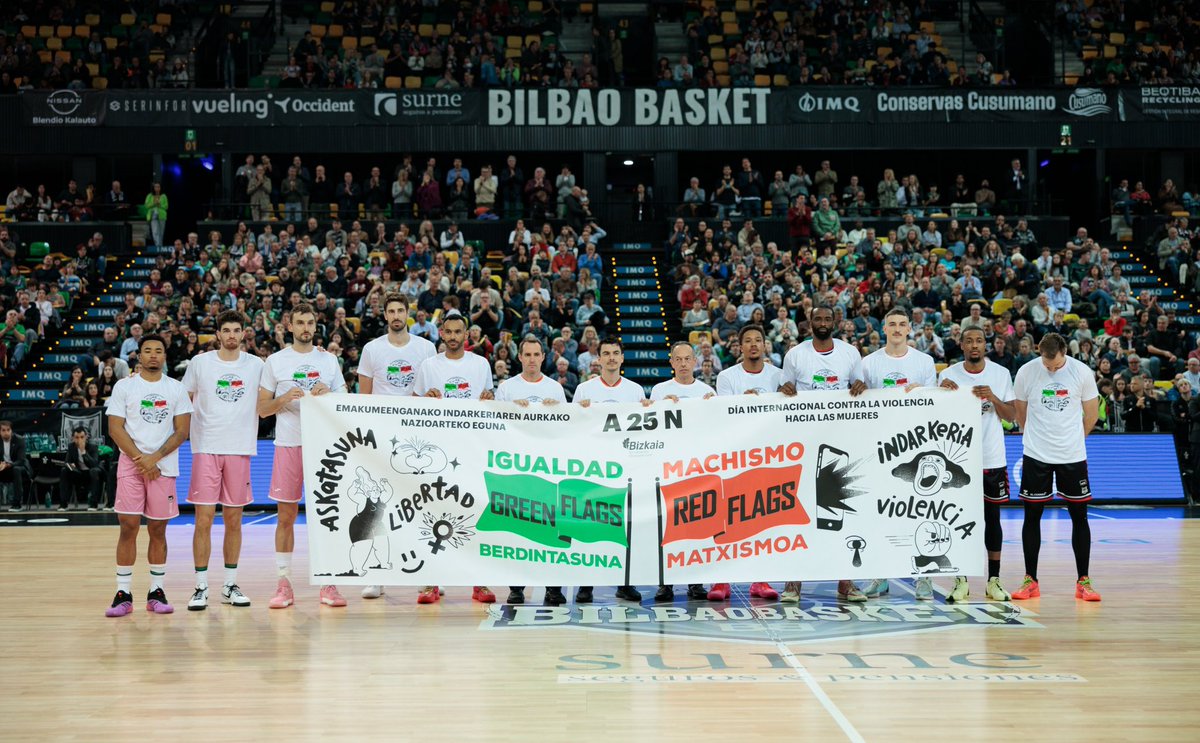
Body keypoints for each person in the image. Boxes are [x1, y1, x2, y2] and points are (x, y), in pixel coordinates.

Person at [258, 303, 347, 610]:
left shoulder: (329, 360)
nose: (306, 328)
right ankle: (284, 584)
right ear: (290, 326)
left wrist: (330, 395)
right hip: (288, 444)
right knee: (286, 516)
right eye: (300, 322)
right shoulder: (275, 361)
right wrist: (284, 398)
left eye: (310, 322)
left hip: (324, 448)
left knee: (328, 517)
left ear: (315, 325)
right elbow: (262, 409)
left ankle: (329, 582)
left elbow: (345, 402)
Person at [779, 306, 868, 603]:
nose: (822, 323)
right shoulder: (795, 355)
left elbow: (861, 389)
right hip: (804, 441)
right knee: (800, 511)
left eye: (827, 319)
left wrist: (861, 386)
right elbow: (783, 391)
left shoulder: (850, 353)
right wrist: (784, 388)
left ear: (835, 322)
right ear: (809, 323)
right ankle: (793, 581)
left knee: (840, 510)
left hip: (840, 440)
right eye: (817, 319)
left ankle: (845, 581)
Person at [104, 335, 193, 617]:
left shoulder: (176, 388)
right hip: (132, 464)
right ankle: (123, 593)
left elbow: (182, 431)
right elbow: (115, 428)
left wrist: (154, 458)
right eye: (147, 350)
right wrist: (142, 459)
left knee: (157, 530)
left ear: (164, 356)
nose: (153, 355)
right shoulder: (124, 386)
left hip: (163, 466)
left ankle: (156, 591)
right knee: (128, 526)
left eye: (158, 350)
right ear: (139, 356)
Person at [181, 310, 264, 611]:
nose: (231, 335)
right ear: (217, 334)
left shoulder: (257, 365)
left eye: (236, 330)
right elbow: (181, 398)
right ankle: (200, 586)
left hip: (239, 448)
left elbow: (277, 389)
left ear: (244, 334)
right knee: (203, 520)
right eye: (226, 330)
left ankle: (230, 585)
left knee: (234, 520)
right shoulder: (200, 363)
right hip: (206, 448)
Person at [413, 310, 497, 605]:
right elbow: (414, 405)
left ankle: (480, 582)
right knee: (432, 513)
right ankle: (430, 582)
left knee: (476, 513)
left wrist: (489, 399)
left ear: (467, 334)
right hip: (438, 449)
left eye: (457, 332)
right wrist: (425, 400)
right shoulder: (429, 365)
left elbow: (489, 401)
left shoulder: (481, 364)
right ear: (441, 333)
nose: (452, 337)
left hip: (472, 448)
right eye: (447, 332)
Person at [356, 294, 436, 600]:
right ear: (385, 315)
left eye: (401, 310)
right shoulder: (372, 349)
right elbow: (364, 398)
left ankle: (428, 574)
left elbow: (432, 391)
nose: (396, 315)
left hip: (417, 436)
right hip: (381, 436)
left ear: (408, 313)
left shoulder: (425, 348)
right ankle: (377, 576)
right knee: (378, 507)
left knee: (422, 504)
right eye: (391, 311)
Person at [1011, 333, 1102, 602]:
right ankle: (1030, 580)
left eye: (1055, 365)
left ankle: (1083, 581)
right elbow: (1020, 413)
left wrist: (1074, 440)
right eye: (1046, 364)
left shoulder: (1081, 372)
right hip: (1036, 454)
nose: (1050, 369)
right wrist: (1035, 438)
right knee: (1032, 516)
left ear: (1065, 352)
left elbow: (1092, 414)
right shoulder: (1026, 372)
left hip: (1071, 455)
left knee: (1079, 516)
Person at [859, 309, 938, 599]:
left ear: (909, 329)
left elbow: (935, 404)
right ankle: (879, 576)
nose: (896, 328)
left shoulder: (924, 361)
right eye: (891, 324)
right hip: (880, 446)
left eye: (902, 324)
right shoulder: (869, 363)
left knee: (919, 513)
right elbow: (861, 403)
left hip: (915, 446)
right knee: (879, 513)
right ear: (883, 329)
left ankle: (924, 577)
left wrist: (923, 392)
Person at [937, 327, 1016, 602]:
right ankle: (961, 580)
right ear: (961, 345)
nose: (974, 345)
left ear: (986, 345)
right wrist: (941, 396)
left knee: (992, 519)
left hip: (991, 457)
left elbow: (1012, 415)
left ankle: (994, 580)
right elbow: (936, 417)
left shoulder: (1000, 374)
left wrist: (993, 398)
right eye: (969, 341)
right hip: (957, 461)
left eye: (979, 341)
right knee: (956, 520)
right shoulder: (948, 375)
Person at [572, 336, 651, 603]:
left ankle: (625, 583)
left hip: (625, 466)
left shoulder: (635, 390)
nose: (611, 358)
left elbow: (643, 429)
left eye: (616, 353)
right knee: (589, 526)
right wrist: (579, 413)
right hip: (593, 467)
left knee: (624, 527)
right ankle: (585, 585)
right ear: (599, 358)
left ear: (622, 357)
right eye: (606, 353)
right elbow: (572, 428)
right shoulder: (584, 390)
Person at [708, 324, 783, 602]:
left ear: (765, 345)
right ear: (739, 347)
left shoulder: (779, 375)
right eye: (748, 341)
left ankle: (760, 580)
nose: (753, 344)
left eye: (758, 340)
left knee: (762, 518)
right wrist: (744, 402)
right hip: (734, 454)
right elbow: (725, 415)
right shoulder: (727, 377)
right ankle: (721, 580)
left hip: (769, 455)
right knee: (725, 518)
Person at [498, 336, 570, 606]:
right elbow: (496, 426)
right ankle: (516, 588)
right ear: (519, 357)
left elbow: (567, 427)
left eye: (536, 354)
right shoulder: (507, 388)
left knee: (551, 528)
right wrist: (511, 412)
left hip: (548, 468)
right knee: (517, 529)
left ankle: (554, 587)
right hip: (517, 468)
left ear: (543, 357)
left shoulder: (554, 388)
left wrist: (555, 412)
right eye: (526, 354)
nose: (531, 359)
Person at [649, 341, 714, 602]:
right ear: (671, 362)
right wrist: (661, 407)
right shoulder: (659, 390)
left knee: (697, 526)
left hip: (697, 469)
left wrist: (712, 408)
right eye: (679, 359)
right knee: (666, 528)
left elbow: (718, 428)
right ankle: (665, 584)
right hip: (668, 467)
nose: (684, 363)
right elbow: (651, 426)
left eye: (688, 358)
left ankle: (695, 582)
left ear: (695, 361)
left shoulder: (707, 391)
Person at [59, 426, 102, 511]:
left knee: (94, 471)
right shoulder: (71, 447)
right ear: (73, 438)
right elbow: (67, 462)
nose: (80, 440)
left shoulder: (93, 447)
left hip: (90, 473)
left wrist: (83, 452)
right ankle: (63, 504)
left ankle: (93, 504)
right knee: (64, 471)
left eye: (82, 437)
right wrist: (70, 466)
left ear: (86, 437)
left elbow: (94, 464)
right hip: (78, 473)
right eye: (77, 437)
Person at [0, 420, 31, 511]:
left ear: (11, 430)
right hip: (3, 468)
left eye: (8, 430)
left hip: (20, 468)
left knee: (16, 469)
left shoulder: (19, 440)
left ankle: (17, 504)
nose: (6, 433)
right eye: (3, 430)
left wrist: (8, 465)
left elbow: (21, 460)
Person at [144, 182, 168, 247]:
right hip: (153, 215)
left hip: (162, 216)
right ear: (153, 188)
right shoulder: (150, 196)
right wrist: (154, 203)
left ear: (160, 188)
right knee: (155, 232)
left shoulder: (163, 196)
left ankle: (160, 246)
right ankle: (157, 246)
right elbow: (146, 205)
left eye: (158, 187)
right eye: (156, 187)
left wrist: (159, 204)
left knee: (161, 232)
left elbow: (166, 206)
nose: (157, 188)